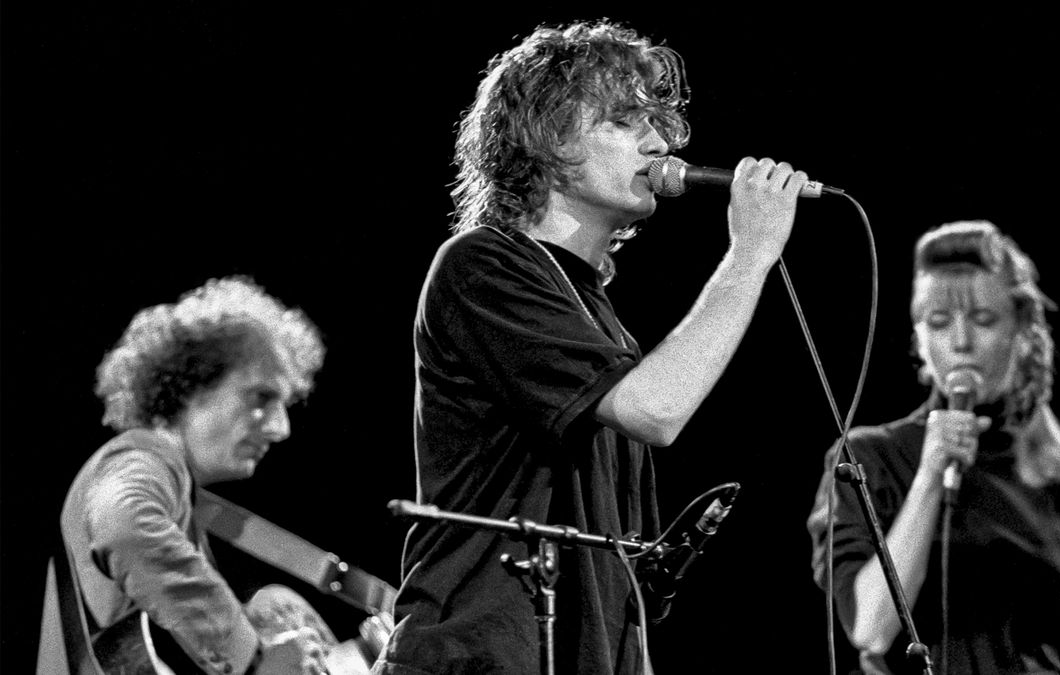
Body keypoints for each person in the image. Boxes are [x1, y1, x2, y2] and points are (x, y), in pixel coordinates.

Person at [376, 19, 810, 675]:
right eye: (626, 121)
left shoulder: (599, 318)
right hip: (475, 658)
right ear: (546, 137)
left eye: (658, 123)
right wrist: (751, 252)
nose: (659, 142)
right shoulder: (482, 266)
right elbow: (656, 409)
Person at [806, 220, 1060, 674]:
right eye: (938, 322)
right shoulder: (866, 458)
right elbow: (871, 628)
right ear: (919, 338)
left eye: (983, 320)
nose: (961, 342)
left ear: (1023, 331)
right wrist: (931, 474)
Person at [57, 276, 334, 675]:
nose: (280, 428)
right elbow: (125, 525)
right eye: (260, 397)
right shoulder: (142, 459)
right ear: (190, 387)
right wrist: (252, 657)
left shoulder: (175, 490)